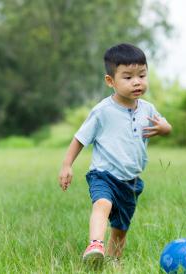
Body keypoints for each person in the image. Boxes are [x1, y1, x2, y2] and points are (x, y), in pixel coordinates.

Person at [58, 43, 172, 263]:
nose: (137, 81)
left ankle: (112, 261)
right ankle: (95, 244)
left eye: (142, 75)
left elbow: (166, 125)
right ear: (111, 81)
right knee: (103, 204)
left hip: (131, 181)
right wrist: (66, 165)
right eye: (128, 77)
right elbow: (80, 138)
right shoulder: (103, 111)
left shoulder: (147, 109)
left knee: (121, 228)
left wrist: (164, 129)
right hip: (104, 174)